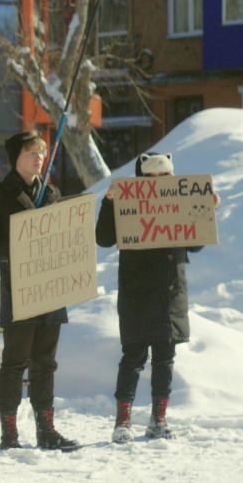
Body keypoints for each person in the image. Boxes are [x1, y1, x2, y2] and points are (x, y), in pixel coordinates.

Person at [95, 152, 220, 443]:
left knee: (165, 358)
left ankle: (158, 420)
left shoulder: (180, 200)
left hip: (170, 290)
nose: (157, 183)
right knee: (132, 357)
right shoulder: (125, 201)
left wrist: (204, 210)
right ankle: (122, 421)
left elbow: (195, 243)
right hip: (136, 291)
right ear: (141, 179)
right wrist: (109, 202)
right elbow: (103, 238)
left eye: (163, 177)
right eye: (151, 178)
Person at [0, 130, 79, 452]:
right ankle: (10, 433)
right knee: (15, 363)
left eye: (43, 152)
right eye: (32, 152)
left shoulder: (52, 193)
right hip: (19, 292)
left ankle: (46, 430)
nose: (39, 158)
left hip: (51, 290)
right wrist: (17, 248)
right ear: (15, 157)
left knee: (45, 364)